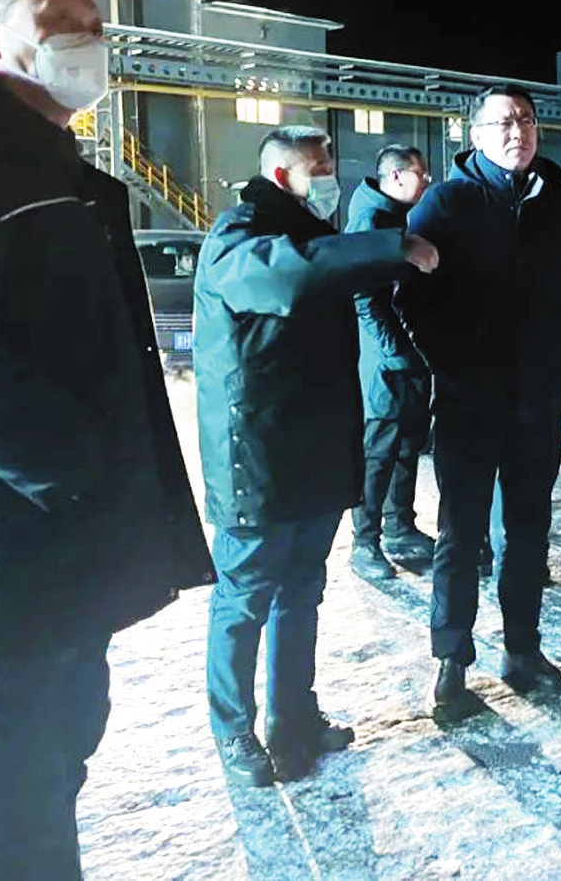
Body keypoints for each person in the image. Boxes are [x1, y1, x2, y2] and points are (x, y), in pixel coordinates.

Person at [0, 0, 214, 878]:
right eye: (59, 22)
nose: (88, 41)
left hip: (57, 570)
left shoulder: (43, 162)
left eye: (94, 23)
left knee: (41, 798)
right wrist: (74, 466)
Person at [194, 126, 437, 786]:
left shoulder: (312, 235)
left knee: (301, 591)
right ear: (281, 176)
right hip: (258, 456)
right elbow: (292, 275)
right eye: (318, 168)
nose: (331, 178)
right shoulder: (239, 237)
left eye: (330, 164)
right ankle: (233, 733)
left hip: (314, 451)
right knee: (245, 598)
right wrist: (391, 244)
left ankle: (293, 718)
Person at [400, 85, 561, 718]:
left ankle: (522, 650)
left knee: (528, 529)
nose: (517, 131)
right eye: (503, 122)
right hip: (470, 399)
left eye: (527, 120)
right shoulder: (447, 202)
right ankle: (451, 661)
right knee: (460, 533)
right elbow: (411, 296)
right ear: (476, 135)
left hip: (539, 399)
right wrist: (452, 363)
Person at [345, 144, 437, 581]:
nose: (428, 181)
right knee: (378, 452)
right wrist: (397, 352)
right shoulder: (370, 221)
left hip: (404, 357)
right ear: (397, 176)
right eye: (422, 173)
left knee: (406, 445)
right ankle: (365, 543)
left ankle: (401, 527)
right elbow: (364, 299)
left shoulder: (394, 217)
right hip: (382, 363)